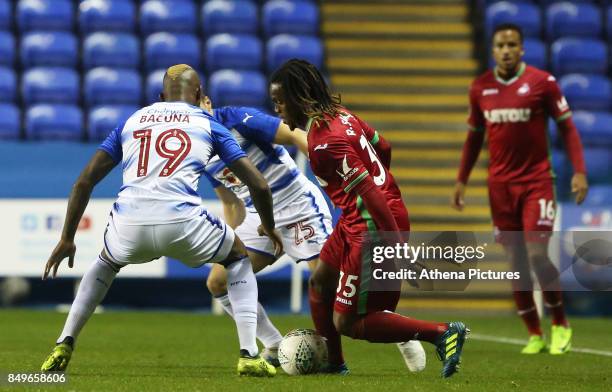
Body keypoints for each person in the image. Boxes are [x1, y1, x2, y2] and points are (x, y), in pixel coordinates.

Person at [40, 64, 280, 377]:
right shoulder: (208, 123)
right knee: (236, 256)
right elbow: (259, 184)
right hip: (183, 221)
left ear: (160, 96)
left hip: (129, 224)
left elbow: (83, 182)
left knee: (106, 262)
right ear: (199, 95)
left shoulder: (132, 121)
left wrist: (67, 238)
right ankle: (249, 353)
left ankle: (64, 341)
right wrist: (269, 227)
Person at [269, 59, 469, 378]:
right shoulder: (343, 116)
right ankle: (334, 364)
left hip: (373, 225)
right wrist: (381, 183)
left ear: (297, 96)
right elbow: (383, 145)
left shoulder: (323, 144)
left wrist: (396, 248)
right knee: (320, 282)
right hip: (360, 217)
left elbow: (370, 194)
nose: (277, 109)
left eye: (279, 101)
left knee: (348, 321)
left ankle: (441, 332)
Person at [452, 24, 588, 355]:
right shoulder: (480, 88)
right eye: (502, 45)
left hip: (537, 181)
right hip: (499, 186)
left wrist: (580, 172)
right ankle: (534, 333)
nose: (508, 50)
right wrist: (462, 179)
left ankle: (559, 324)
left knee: (538, 254)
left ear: (522, 49)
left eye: (513, 44)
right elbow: (474, 138)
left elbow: (567, 128)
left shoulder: (544, 83)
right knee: (515, 261)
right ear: (494, 49)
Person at [200, 96, 333, 367]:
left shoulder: (238, 119)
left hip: (298, 205)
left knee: (326, 283)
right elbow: (231, 202)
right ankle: (273, 344)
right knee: (218, 281)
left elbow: (296, 134)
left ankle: (390, 326)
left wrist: (330, 178)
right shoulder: (197, 147)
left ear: (206, 101)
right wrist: (229, 240)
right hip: (257, 217)